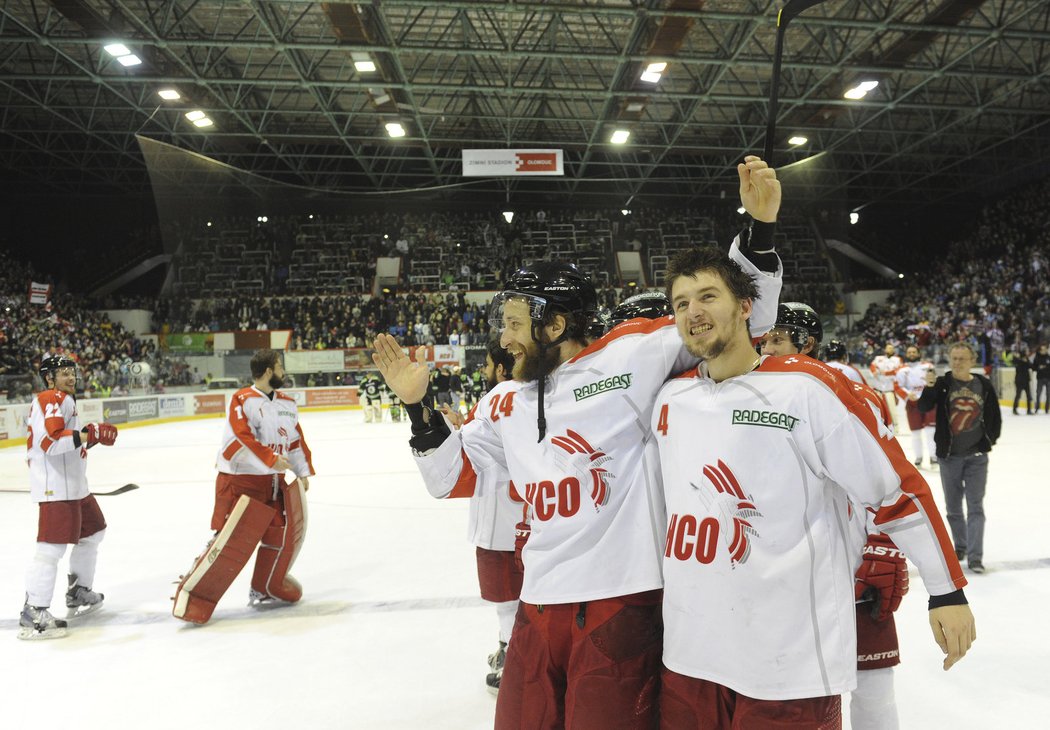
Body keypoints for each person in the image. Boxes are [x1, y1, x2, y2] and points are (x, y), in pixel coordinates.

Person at [373, 155, 785, 729]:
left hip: (621, 605)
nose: (504, 337)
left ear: (556, 325)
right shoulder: (504, 400)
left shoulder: (634, 353)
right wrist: (418, 405)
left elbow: (740, 321)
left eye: (516, 323)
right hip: (537, 605)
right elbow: (451, 478)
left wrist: (759, 231)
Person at [654, 248, 975, 728]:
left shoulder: (808, 389)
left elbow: (894, 489)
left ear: (746, 306)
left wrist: (945, 591)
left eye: (707, 296)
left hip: (790, 661)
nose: (693, 311)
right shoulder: (670, 397)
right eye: (681, 303)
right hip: (690, 654)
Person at [764, 305, 911, 730]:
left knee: (874, 687)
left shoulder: (855, 397)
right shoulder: (749, 396)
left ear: (805, 344)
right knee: (796, 695)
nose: (765, 346)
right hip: (789, 575)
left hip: (854, 570)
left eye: (776, 339)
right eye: (766, 339)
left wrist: (884, 543)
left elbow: (891, 480)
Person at [172, 349, 315, 623]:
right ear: (268, 371)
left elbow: (295, 439)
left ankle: (263, 588)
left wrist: (301, 471)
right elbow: (243, 436)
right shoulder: (242, 399)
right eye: (279, 367)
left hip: (271, 480)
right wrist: (272, 459)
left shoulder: (287, 402)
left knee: (277, 533)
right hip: (239, 480)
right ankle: (193, 596)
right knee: (229, 540)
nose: (284, 373)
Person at [431, 339, 524, 694]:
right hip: (521, 518)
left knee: (507, 599)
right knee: (518, 598)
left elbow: (463, 461)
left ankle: (513, 657)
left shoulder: (498, 400)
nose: (484, 371)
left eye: (487, 365)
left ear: (502, 369)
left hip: (502, 522)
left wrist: (448, 431)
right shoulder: (526, 397)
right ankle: (512, 649)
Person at [19, 355, 118, 640]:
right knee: (50, 549)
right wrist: (87, 435)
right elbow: (50, 443)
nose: (70, 376)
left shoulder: (63, 399)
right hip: (56, 488)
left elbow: (66, 441)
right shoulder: (52, 397)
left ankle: (78, 591)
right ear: (49, 378)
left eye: (71, 371)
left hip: (74, 486)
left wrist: (90, 436)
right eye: (63, 372)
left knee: (94, 531)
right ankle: (33, 611)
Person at [918, 342, 1001, 574]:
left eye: (962, 359)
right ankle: (960, 546)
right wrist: (929, 387)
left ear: (971, 361)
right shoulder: (943, 383)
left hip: (977, 457)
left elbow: (994, 415)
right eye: (954, 358)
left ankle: (975, 557)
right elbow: (923, 407)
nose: (957, 363)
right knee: (953, 508)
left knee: (976, 507)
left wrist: (988, 440)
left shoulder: (982, 384)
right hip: (950, 457)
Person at [895, 345, 938, 468]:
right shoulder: (901, 370)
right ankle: (918, 457)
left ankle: (933, 456)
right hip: (912, 404)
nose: (912, 354)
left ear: (919, 353)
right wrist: (908, 395)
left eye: (914, 352)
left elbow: (934, 382)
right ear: (906, 354)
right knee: (916, 433)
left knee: (931, 431)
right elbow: (898, 386)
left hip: (929, 401)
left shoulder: (928, 366)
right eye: (909, 352)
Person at [869, 343, 903, 431]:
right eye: (888, 348)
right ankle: (878, 426)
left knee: (892, 408)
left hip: (889, 389)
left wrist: (886, 373)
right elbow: (872, 366)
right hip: (878, 387)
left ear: (894, 350)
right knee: (877, 407)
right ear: (885, 349)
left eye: (891, 348)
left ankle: (896, 426)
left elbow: (898, 370)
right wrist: (874, 372)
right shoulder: (878, 358)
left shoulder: (897, 359)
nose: (889, 350)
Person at [1011, 346, 1034, 415]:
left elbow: (1031, 366)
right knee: (1018, 395)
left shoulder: (1026, 359)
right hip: (1019, 380)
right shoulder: (1018, 360)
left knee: (1028, 396)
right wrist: (1021, 360)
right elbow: (1014, 361)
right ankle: (1014, 409)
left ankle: (1029, 410)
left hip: (1026, 380)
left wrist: (1026, 361)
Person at [1034, 343, 1050, 413]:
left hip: (1048, 378)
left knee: (1048, 394)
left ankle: (1047, 408)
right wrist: (1039, 368)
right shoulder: (1037, 358)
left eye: (1045, 349)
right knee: (1038, 394)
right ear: (1040, 350)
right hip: (1040, 378)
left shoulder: (1048, 357)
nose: (1044, 350)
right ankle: (1037, 407)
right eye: (1043, 349)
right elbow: (1034, 367)